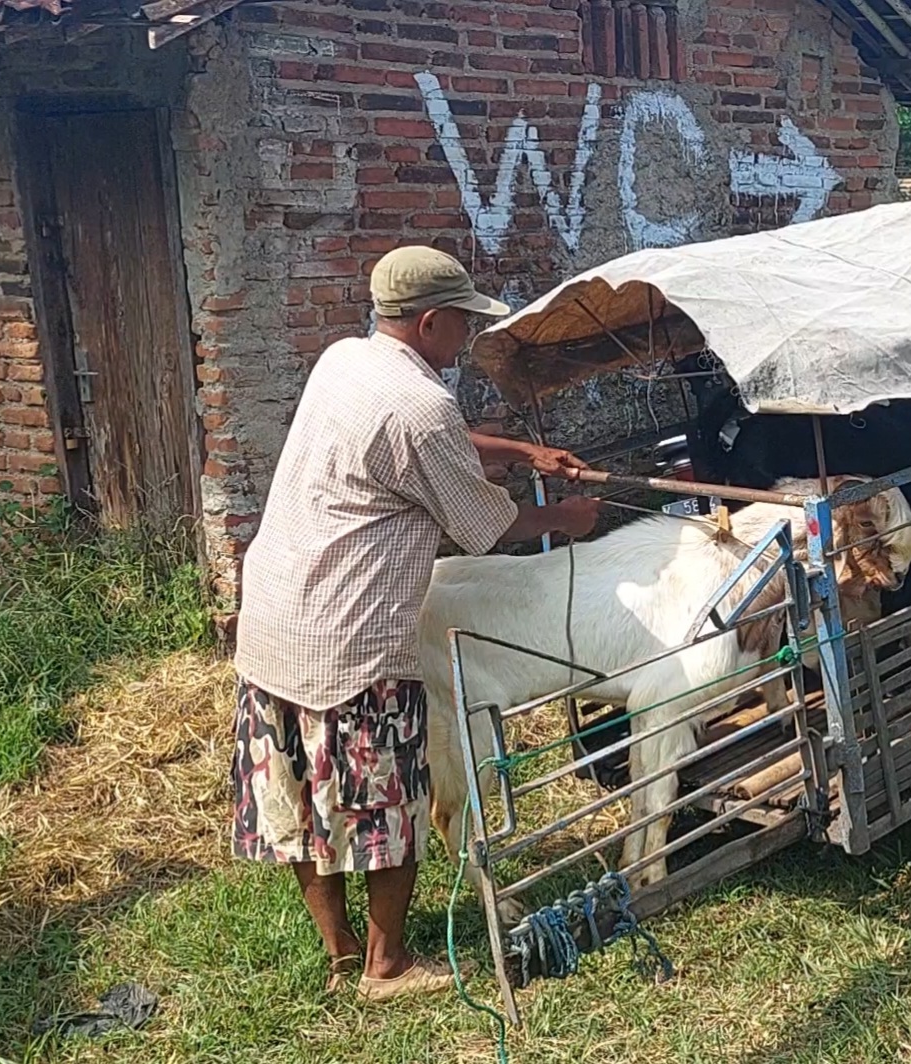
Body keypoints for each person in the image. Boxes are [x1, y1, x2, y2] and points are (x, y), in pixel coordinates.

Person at [229, 246, 603, 1001]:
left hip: (272, 619)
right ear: (430, 322)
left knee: (299, 798)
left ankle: (339, 950)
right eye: (462, 324)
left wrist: (519, 448)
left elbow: (422, 445)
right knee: (384, 800)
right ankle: (386, 965)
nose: (466, 338)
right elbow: (484, 527)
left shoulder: (345, 360)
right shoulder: (424, 406)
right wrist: (568, 517)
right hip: (351, 638)